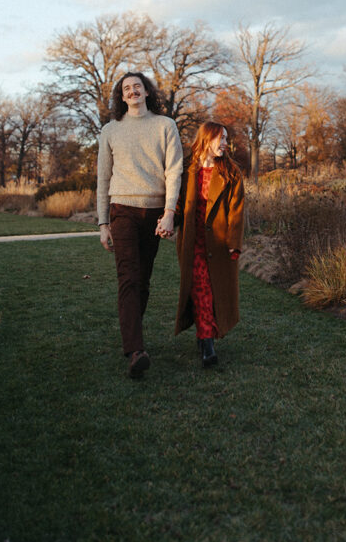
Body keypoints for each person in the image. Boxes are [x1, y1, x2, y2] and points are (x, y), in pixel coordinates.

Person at [97, 71, 183, 378]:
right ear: (121, 97)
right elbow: (103, 178)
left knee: (143, 281)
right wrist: (103, 222)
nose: (132, 91)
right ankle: (135, 350)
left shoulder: (165, 126)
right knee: (129, 277)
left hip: (154, 211)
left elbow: (174, 171)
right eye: (126, 89)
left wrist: (170, 212)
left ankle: (132, 335)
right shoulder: (110, 130)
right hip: (122, 211)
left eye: (137, 86)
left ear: (147, 91)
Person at [174, 121, 245, 367]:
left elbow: (237, 210)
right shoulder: (186, 169)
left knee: (215, 291)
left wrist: (234, 242)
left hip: (219, 242)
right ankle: (207, 342)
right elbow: (177, 201)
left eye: (226, 138)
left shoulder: (231, 172)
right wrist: (166, 220)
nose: (226, 143)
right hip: (192, 242)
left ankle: (205, 335)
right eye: (221, 138)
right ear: (207, 139)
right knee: (200, 288)